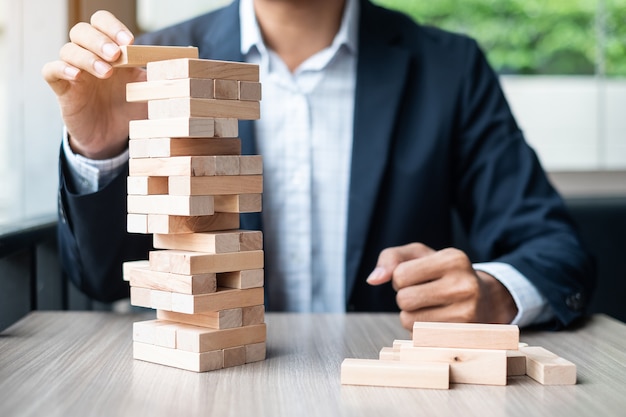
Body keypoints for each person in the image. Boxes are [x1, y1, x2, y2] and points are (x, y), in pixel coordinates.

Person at [42, 0, 595, 330]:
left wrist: (495, 293)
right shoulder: (153, 66)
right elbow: (100, 279)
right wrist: (102, 151)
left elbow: (555, 250)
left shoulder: (450, 67)